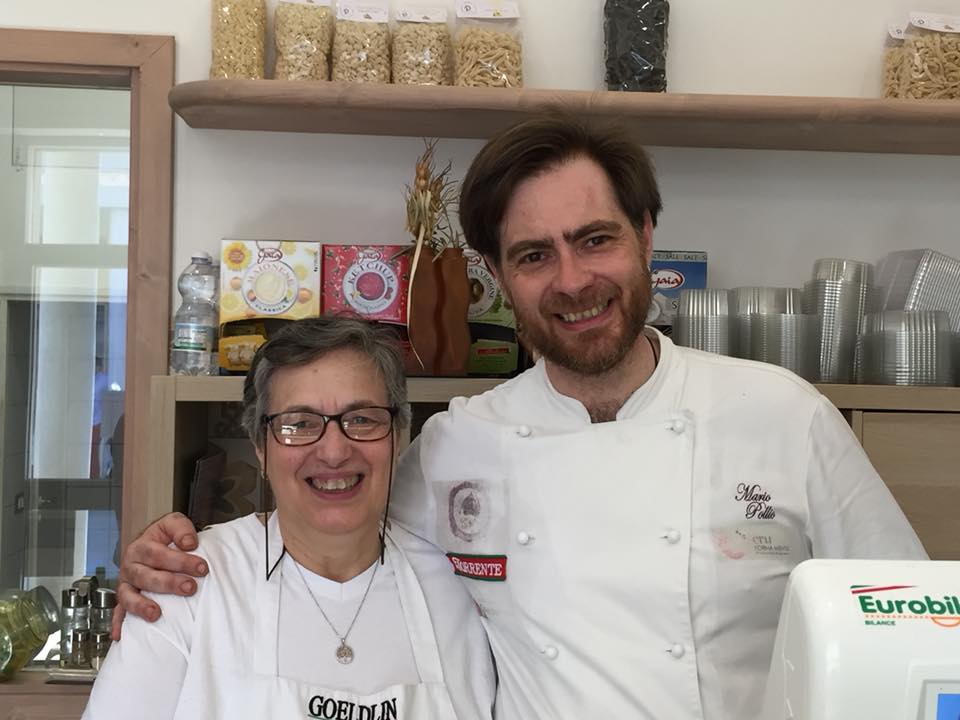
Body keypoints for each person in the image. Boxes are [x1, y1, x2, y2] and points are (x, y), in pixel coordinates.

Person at [114, 116, 927, 719]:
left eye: (596, 239)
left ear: (646, 238)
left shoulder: (785, 416)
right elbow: (330, 513)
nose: (572, 281)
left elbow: (913, 630)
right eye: (534, 255)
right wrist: (169, 566)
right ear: (500, 278)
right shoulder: (460, 444)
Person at [85, 318, 495, 719]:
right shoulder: (186, 586)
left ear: (398, 435)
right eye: (298, 424)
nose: (334, 452)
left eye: (363, 419)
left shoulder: (458, 588)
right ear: (261, 447)